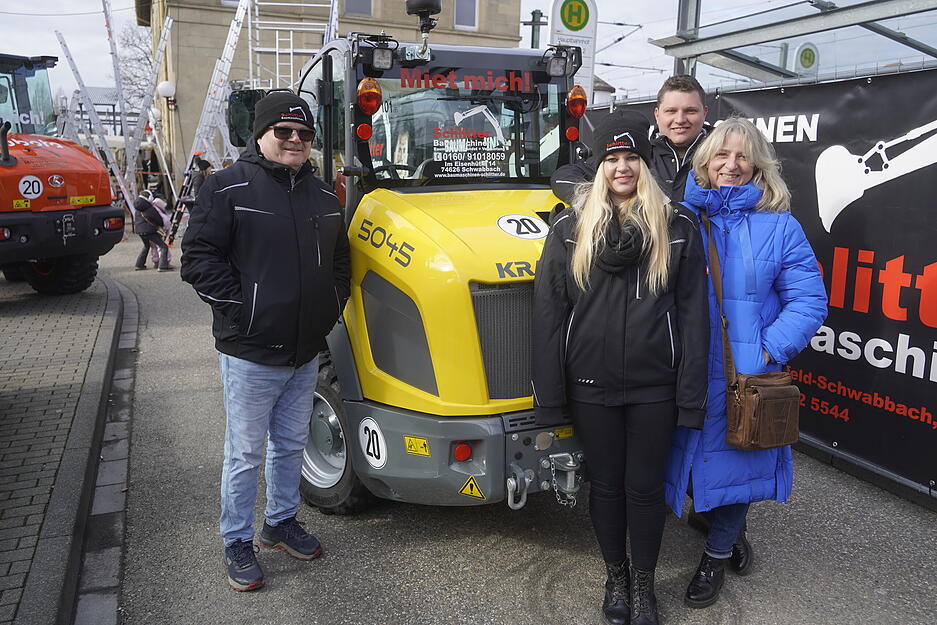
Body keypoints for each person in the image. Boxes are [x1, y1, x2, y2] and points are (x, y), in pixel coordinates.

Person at [532, 111, 709, 625]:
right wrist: (549, 399)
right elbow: (548, 315)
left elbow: (694, 317)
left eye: (632, 157)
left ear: (647, 165)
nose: (622, 167)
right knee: (605, 487)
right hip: (590, 384)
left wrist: (691, 397)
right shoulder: (569, 229)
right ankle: (617, 575)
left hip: (656, 386)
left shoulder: (677, 227)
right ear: (599, 166)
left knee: (645, 489)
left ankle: (644, 587)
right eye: (612, 158)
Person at [180, 91, 350, 592]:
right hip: (250, 354)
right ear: (260, 135)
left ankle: (279, 522)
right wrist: (245, 313)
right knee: (245, 453)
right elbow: (198, 260)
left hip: (303, 352)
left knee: (291, 445)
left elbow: (341, 263)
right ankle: (236, 540)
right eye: (284, 131)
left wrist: (327, 308)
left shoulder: (323, 196)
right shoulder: (227, 187)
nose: (295, 140)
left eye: (304, 133)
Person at [663, 118, 827, 609]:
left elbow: (808, 302)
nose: (731, 165)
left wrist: (766, 352)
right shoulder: (678, 218)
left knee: (738, 467)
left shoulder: (780, 225)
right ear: (705, 163)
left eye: (742, 156)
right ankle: (717, 525)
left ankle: (716, 553)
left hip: (745, 378)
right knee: (688, 463)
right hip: (685, 373)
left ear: (758, 165)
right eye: (721, 155)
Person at [550, 75, 711, 205]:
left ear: (704, 113)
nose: (680, 119)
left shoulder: (723, 157)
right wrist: (593, 201)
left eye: (690, 111)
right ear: (657, 114)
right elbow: (563, 175)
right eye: (671, 111)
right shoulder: (640, 154)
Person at [133, 190, 172, 271]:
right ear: (149, 198)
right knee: (164, 247)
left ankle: (139, 264)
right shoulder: (148, 207)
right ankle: (163, 266)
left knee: (146, 246)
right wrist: (161, 225)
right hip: (149, 231)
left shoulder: (138, 207)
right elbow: (158, 219)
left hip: (140, 231)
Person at [149, 197, 173, 268]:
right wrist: (167, 232)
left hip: (149, 231)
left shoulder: (150, 209)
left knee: (153, 247)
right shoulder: (160, 213)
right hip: (158, 232)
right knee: (162, 247)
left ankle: (156, 262)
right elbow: (167, 223)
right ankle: (165, 263)